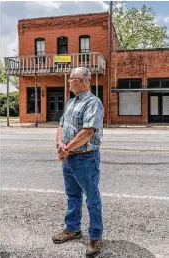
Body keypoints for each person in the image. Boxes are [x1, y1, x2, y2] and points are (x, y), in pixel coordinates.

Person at [52, 67, 104, 257]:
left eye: (71, 78)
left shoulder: (93, 103)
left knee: (92, 198)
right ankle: (72, 229)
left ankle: (96, 236)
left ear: (82, 80)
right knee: (72, 196)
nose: (68, 81)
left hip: (85, 158)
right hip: (69, 158)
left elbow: (88, 131)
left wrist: (67, 148)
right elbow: (61, 124)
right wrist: (60, 144)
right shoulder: (71, 102)